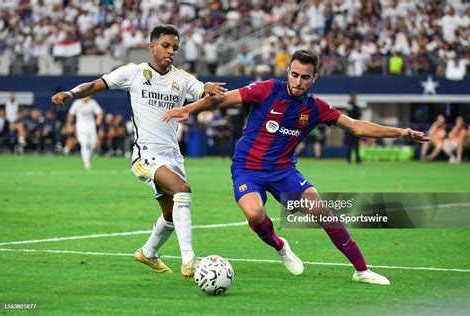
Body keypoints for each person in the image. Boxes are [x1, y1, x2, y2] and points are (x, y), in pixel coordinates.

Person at [163, 50, 429, 285]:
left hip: (284, 172)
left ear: (314, 79)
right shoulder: (267, 89)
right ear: (287, 72)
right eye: (294, 74)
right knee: (255, 215)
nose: (298, 81)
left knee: (323, 212)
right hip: (247, 169)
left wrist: (401, 132)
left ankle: (362, 270)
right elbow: (222, 100)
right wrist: (191, 109)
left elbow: (357, 126)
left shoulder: (316, 108)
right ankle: (280, 247)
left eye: (305, 77)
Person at [51, 24, 227, 278]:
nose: (171, 52)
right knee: (183, 190)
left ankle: (148, 252)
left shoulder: (181, 78)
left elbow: (204, 93)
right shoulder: (133, 73)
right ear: (152, 46)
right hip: (146, 155)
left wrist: (208, 89)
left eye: (175, 48)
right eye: (166, 46)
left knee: (169, 213)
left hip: (173, 157)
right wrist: (70, 93)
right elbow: (94, 85)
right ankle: (189, 258)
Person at [67, 96, 103, 169]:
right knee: (84, 144)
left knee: (92, 144)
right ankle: (86, 163)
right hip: (81, 128)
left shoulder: (93, 102)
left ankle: (88, 159)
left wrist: (98, 121)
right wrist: (69, 125)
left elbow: (99, 112)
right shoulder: (76, 103)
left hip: (91, 128)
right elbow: (70, 114)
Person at [345, 92, 362, 164]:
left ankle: (357, 159)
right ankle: (349, 159)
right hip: (350, 127)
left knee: (356, 144)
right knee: (351, 144)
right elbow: (352, 114)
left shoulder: (355, 105)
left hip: (355, 127)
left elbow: (359, 114)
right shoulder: (350, 105)